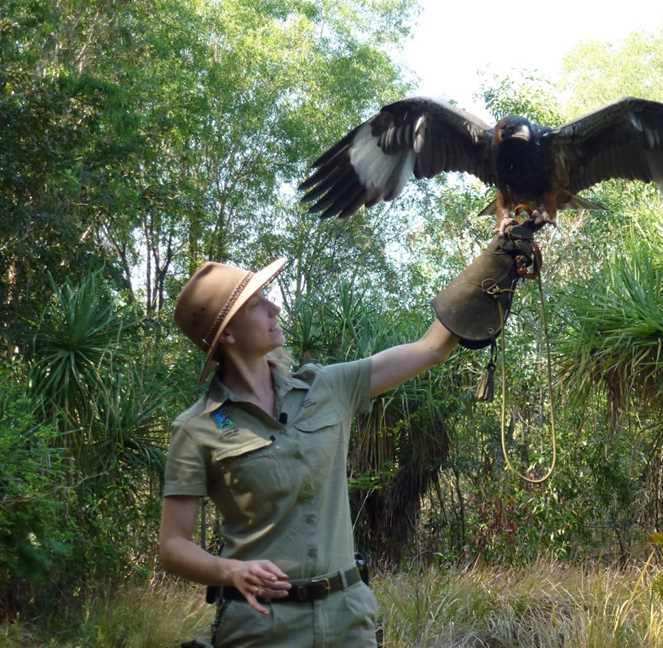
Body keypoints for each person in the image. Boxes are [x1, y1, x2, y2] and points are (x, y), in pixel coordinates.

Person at [159, 224, 538, 647]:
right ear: (227, 333)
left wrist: (496, 263)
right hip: (261, 628)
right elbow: (173, 544)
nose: (275, 308)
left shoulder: (328, 387)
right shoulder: (198, 428)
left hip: (348, 620)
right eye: (257, 304)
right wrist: (229, 571)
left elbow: (431, 348)